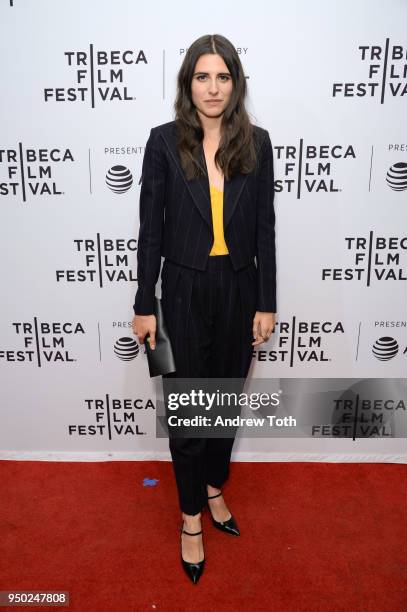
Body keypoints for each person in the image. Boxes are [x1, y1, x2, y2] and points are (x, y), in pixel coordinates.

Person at [131, 33, 276, 584]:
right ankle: (191, 516)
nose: (213, 87)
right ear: (187, 82)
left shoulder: (257, 143)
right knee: (188, 412)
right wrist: (146, 304)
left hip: (240, 290)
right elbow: (150, 233)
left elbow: (265, 229)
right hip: (182, 291)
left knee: (223, 407)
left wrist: (267, 302)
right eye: (202, 76)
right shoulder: (164, 142)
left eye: (223, 76)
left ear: (236, 83)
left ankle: (215, 486)